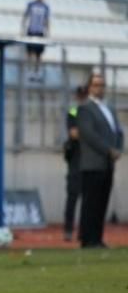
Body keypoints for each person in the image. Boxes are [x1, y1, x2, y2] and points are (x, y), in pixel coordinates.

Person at [77, 73, 123, 249]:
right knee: (91, 203)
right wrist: (108, 150)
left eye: (102, 85)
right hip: (92, 163)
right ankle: (87, 239)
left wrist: (118, 148)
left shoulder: (109, 108)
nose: (99, 88)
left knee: (102, 202)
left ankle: (97, 238)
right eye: (96, 85)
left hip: (107, 163)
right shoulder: (85, 108)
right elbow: (90, 135)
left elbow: (118, 131)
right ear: (89, 87)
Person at [63, 86, 88, 241]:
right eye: (80, 95)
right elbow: (73, 132)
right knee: (73, 195)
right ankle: (68, 229)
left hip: (89, 159)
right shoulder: (74, 111)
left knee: (89, 198)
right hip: (76, 158)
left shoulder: (93, 112)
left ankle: (85, 231)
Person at [22, 0, 50, 80]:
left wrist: (48, 32)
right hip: (31, 30)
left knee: (39, 54)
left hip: (40, 31)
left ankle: (37, 72)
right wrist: (23, 29)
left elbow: (46, 20)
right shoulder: (31, 4)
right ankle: (29, 70)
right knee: (30, 53)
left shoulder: (45, 6)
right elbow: (25, 17)